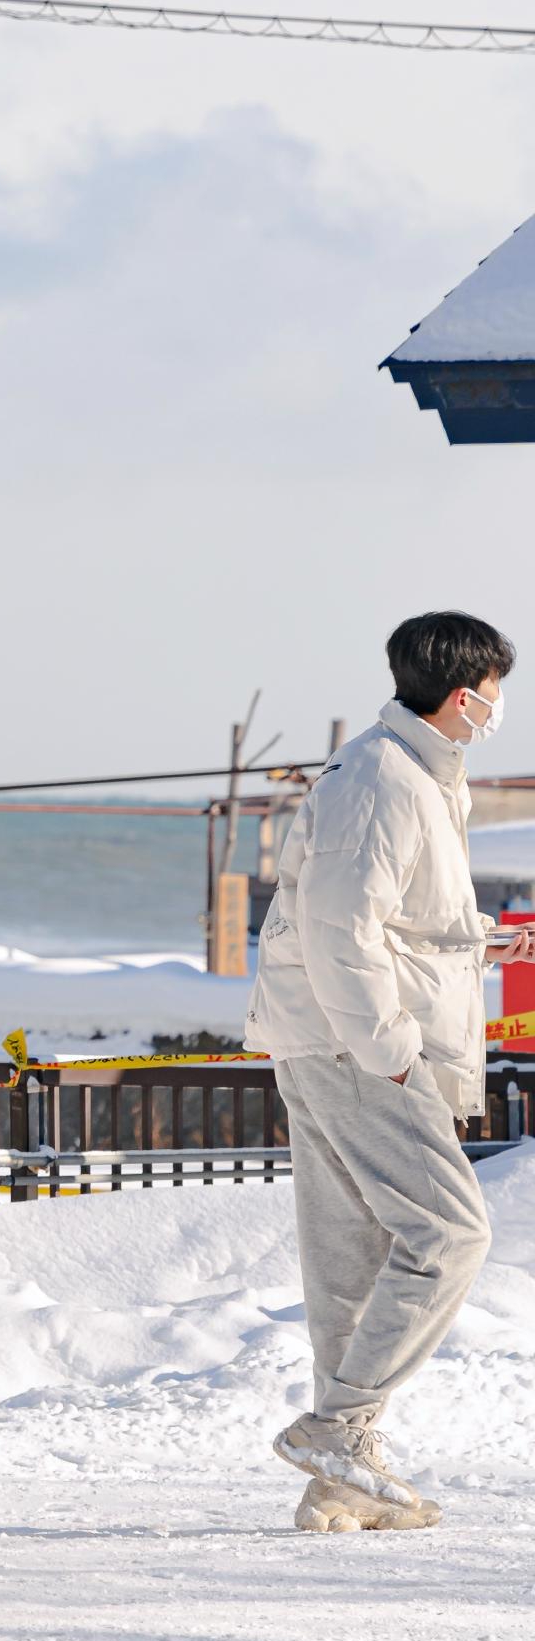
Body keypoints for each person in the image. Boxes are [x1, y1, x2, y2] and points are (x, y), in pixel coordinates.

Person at [248, 610, 515, 1534]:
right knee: (451, 1233)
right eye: (496, 690)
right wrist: (392, 1051)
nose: (500, 707)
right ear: (463, 693)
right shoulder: (382, 777)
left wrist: (489, 938)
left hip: (337, 1041)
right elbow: (339, 930)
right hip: (357, 1048)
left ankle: (340, 1479)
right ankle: (334, 1427)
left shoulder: (415, 775)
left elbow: (396, 919)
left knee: (352, 1262)